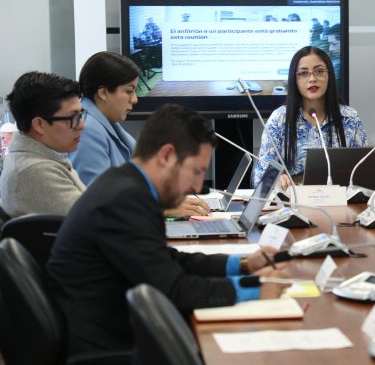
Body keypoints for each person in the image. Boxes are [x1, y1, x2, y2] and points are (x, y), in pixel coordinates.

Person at [47, 104, 288, 355]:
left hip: (109, 328)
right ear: (166, 156)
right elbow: (171, 289)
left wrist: (243, 265)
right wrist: (255, 290)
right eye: (196, 172)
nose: (197, 185)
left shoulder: (128, 185)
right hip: (105, 348)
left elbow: (166, 261)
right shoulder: (124, 200)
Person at [69, 51, 210, 218]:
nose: (135, 99)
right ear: (103, 93)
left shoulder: (106, 122)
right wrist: (163, 210)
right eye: (129, 91)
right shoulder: (87, 129)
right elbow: (99, 203)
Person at [252, 46, 367, 189]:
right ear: (294, 79)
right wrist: (277, 177)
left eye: (319, 71)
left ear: (329, 75)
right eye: (303, 73)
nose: (312, 79)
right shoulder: (280, 119)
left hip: (340, 202)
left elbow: (364, 173)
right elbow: (260, 177)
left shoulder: (350, 118)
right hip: (293, 202)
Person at [0, 72, 86, 217]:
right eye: (73, 117)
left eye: (81, 115)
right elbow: (97, 225)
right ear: (39, 125)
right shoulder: (34, 171)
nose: (82, 125)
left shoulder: (37, 157)